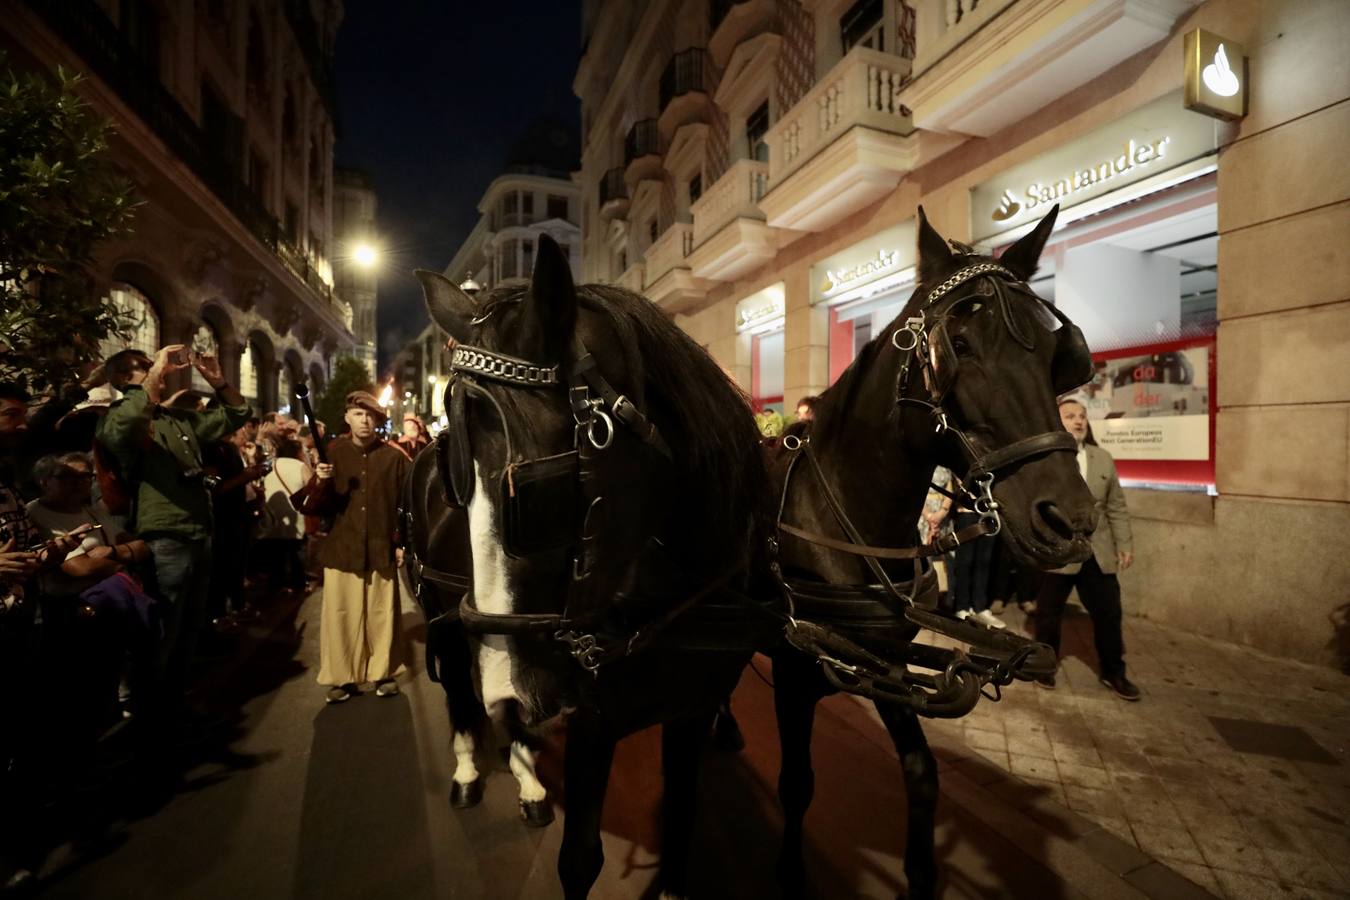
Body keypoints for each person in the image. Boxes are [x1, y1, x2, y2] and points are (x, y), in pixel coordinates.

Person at [95, 345, 252, 716]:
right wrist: (151, 381)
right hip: (164, 535)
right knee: (161, 629)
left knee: (188, 629)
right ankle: (149, 709)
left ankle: (172, 701)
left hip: (199, 530)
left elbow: (236, 413)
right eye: (143, 369)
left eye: (155, 367)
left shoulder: (177, 419)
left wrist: (217, 379)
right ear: (120, 380)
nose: (159, 373)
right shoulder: (120, 415)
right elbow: (129, 426)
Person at [300, 391, 408, 704]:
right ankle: (342, 676)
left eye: (371, 415)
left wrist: (400, 543)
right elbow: (316, 508)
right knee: (340, 614)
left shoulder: (393, 459)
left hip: (380, 547)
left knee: (382, 614)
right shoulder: (332, 454)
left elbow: (403, 505)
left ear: (378, 421)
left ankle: (382, 672)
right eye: (358, 414)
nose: (365, 420)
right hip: (342, 548)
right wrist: (320, 482)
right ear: (347, 417)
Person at [1033, 398, 1139, 700]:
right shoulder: (1046, 460)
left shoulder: (1102, 458)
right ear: (1057, 422)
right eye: (1070, 416)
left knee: (1109, 614)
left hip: (1098, 553)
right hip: (1060, 550)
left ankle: (1114, 672)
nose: (1078, 421)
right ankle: (1045, 665)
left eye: (1082, 416)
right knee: (1048, 614)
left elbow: (1116, 507)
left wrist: (1125, 544)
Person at [254, 436, 312, 596]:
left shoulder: (269, 464)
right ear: (297, 452)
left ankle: (276, 584)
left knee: (275, 553)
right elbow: (311, 487)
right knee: (296, 552)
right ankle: (298, 583)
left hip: (272, 513)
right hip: (295, 513)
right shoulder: (300, 466)